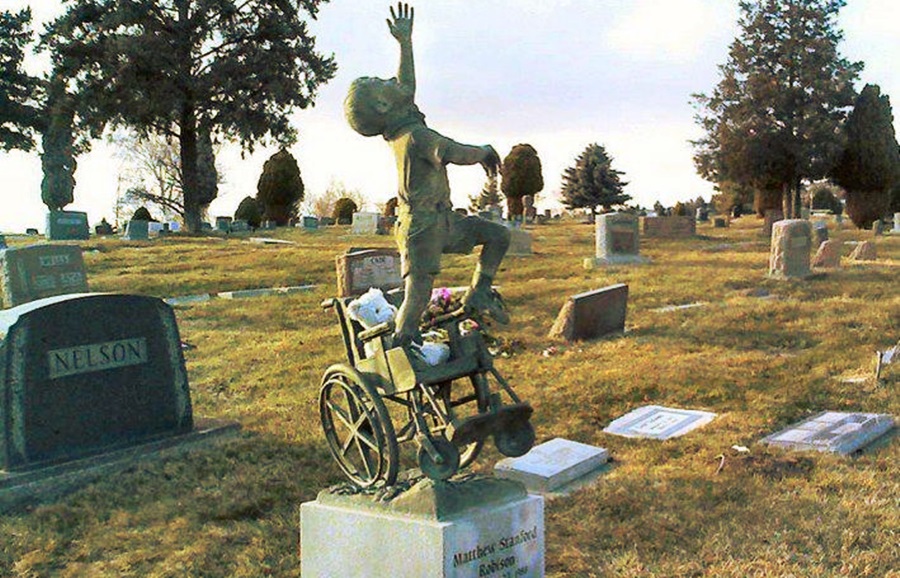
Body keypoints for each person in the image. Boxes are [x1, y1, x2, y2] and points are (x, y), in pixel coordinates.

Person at [344, 2, 511, 347]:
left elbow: (404, 86)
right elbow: (449, 150)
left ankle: (478, 294)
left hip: (440, 222)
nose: (389, 79)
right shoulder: (416, 137)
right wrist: (483, 152)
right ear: (382, 106)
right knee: (417, 297)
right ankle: (402, 350)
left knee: (497, 235)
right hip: (420, 229)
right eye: (379, 82)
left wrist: (405, 43)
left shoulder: (401, 128)